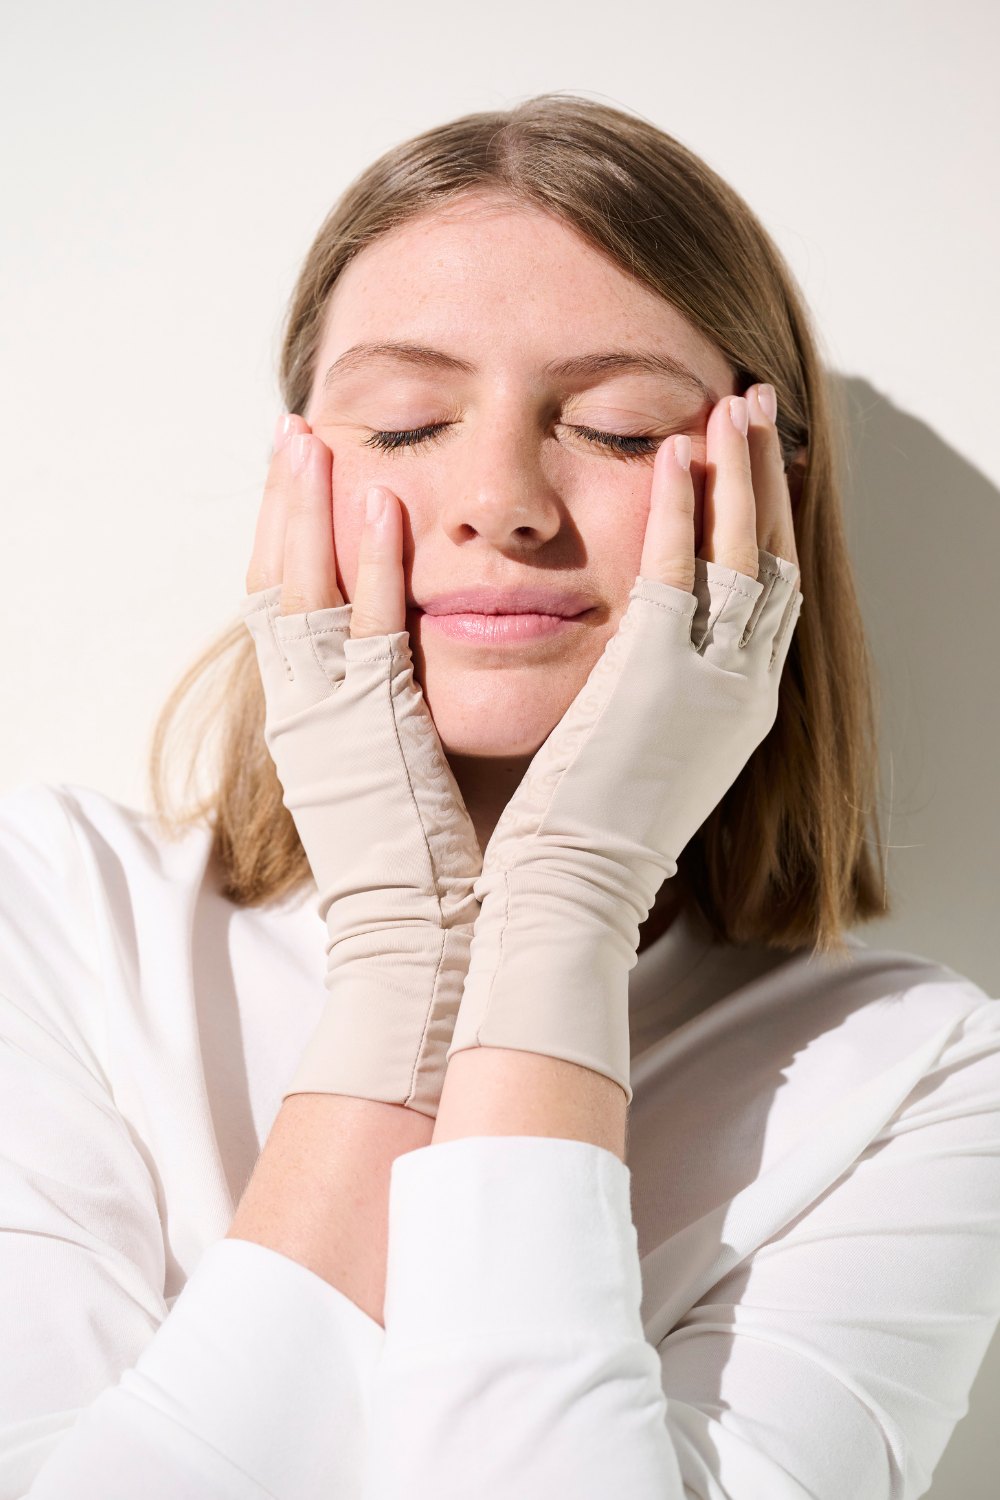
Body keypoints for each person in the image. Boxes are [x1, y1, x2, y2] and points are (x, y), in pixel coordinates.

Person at [2, 93, 998, 1500]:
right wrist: (406, 951)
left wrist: (564, 906)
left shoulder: (914, 1076)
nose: (498, 501)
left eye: (614, 427)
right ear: (300, 478)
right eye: (407, 423)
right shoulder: (51, 917)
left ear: (759, 510)